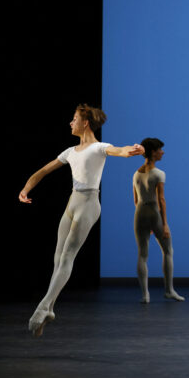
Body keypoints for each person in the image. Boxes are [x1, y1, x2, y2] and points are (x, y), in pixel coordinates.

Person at [19, 104, 144, 336]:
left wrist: (134, 149)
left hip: (88, 204)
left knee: (68, 256)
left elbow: (120, 150)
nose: (70, 122)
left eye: (74, 119)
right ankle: (50, 308)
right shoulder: (70, 151)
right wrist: (25, 189)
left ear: (85, 123)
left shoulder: (99, 147)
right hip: (72, 203)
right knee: (58, 259)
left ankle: (43, 306)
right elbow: (43, 171)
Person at [133, 137, 184, 303]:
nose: (162, 152)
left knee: (142, 254)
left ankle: (145, 295)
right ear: (153, 152)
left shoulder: (136, 174)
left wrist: (144, 219)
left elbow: (135, 200)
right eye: (160, 150)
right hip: (154, 213)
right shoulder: (159, 174)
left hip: (140, 213)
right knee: (168, 251)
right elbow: (161, 200)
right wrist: (165, 224)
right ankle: (169, 290)